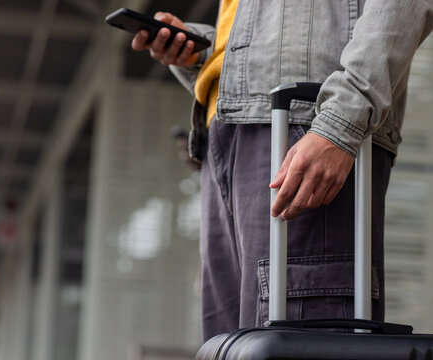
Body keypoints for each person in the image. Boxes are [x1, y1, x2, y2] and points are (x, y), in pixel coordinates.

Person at [132, 0, 432, 342]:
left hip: (304, 125)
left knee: (300, 337)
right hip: (227, 131)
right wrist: (203, 53)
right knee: (234, 342)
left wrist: (341, 122)